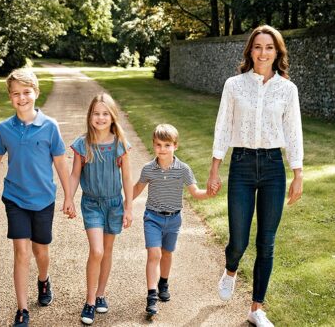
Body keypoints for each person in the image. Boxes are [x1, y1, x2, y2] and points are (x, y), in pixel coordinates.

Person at [0, 68, 75, 327]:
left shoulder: (50, 127)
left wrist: (68, 196)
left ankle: (43, 280)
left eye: (26, 92)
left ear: (35, 92)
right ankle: (22, 309)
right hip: (15, 198)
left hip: (44, 198)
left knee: (40, 250)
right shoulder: (4, 129)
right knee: (21, 252)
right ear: (10, 97)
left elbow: (61, 163)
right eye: (16, 94)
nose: (21, 98)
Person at [207, 25, 303, 327]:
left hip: (274, 166)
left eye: (269, 47)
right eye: (258, 46)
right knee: (238, 240)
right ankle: (231, 268)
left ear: (278, 52)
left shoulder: (288, 90)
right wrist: (214, 168)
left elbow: (294, 133)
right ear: (250, 50)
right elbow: (223, 126)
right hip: (242, 165)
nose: (263, 52)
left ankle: (256, 308)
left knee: (267, 241)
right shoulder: (234, 85)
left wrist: (297, 173)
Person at [132, 124, 216, 319]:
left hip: (174, 219)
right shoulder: (148, 169)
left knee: (167, 254)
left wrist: (209, 193)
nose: (162, 149)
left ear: (175, 146)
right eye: (159, 145)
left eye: (167, 145)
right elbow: (136, 189)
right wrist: (125, 205)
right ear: (153, 145)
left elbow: (195, 192)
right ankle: (151, 297)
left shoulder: (183, 169)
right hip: (152, 217)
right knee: (154, 254)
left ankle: (163, 282)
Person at [69, 93, 133, 325]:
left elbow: (127, 177)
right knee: (96, 251)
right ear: (90, 116)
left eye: (105, 113)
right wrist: (69, 198)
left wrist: (128, 207)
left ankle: (101, 293)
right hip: (92, 204)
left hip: (115, 204)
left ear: (113, 117)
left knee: (107, 250)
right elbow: (75, 174)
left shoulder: (120, 144)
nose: (100, 117)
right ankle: (89, 301)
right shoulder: (82, 144)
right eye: (96, 113)